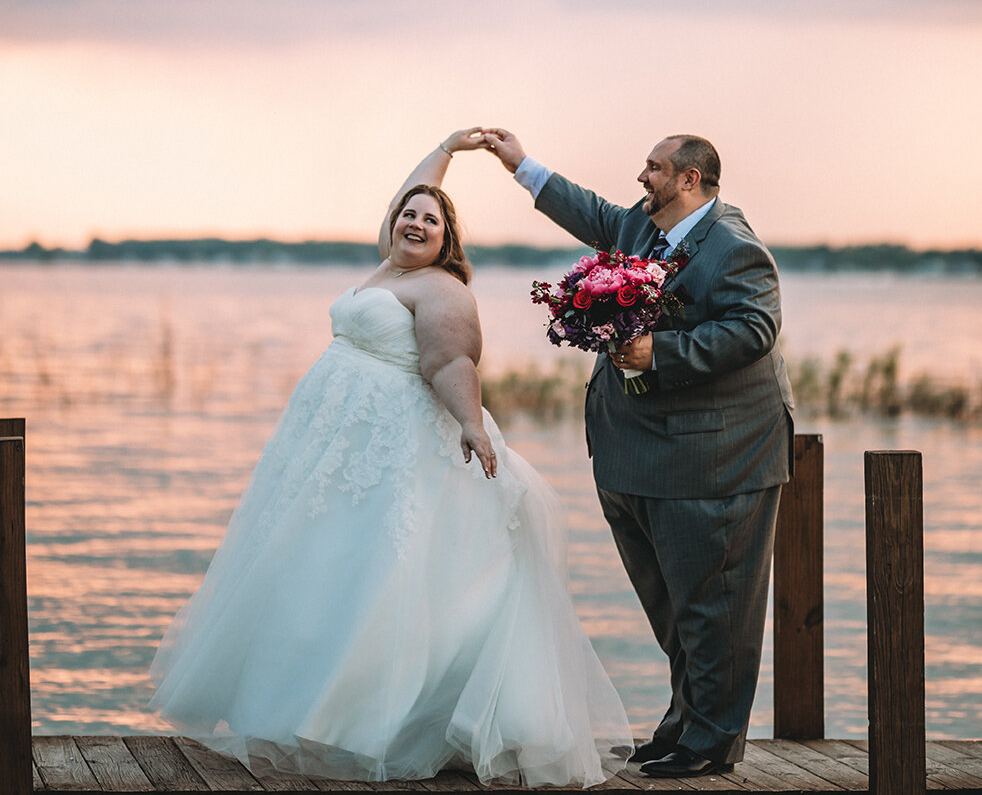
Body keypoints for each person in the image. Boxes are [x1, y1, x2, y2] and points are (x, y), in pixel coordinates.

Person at [149, 129, 632, 788]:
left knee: (381, 576)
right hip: (337, 449)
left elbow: (450, 361)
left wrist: (473, 425)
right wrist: (448, 148)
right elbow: (411, 193)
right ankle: (296, 707)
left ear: (446, 241)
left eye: (430, 220)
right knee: (319, 565)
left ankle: (374, 723)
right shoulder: (388, 266)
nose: (415, 220)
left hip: (394, 450)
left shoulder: (440, 290)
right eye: (409, 213)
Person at [482, 128, 794, 781]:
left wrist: (661, 352)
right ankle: (685, 722)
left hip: (713, 458)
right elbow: (589, 212)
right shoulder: (642, 229)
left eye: (653, 168)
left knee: (713, 605)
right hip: (637, 456)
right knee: (674, 605)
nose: (641, 178)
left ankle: (712, 741)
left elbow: (754, 329)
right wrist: (520, 164)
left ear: (690, 179)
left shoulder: (734, 247)